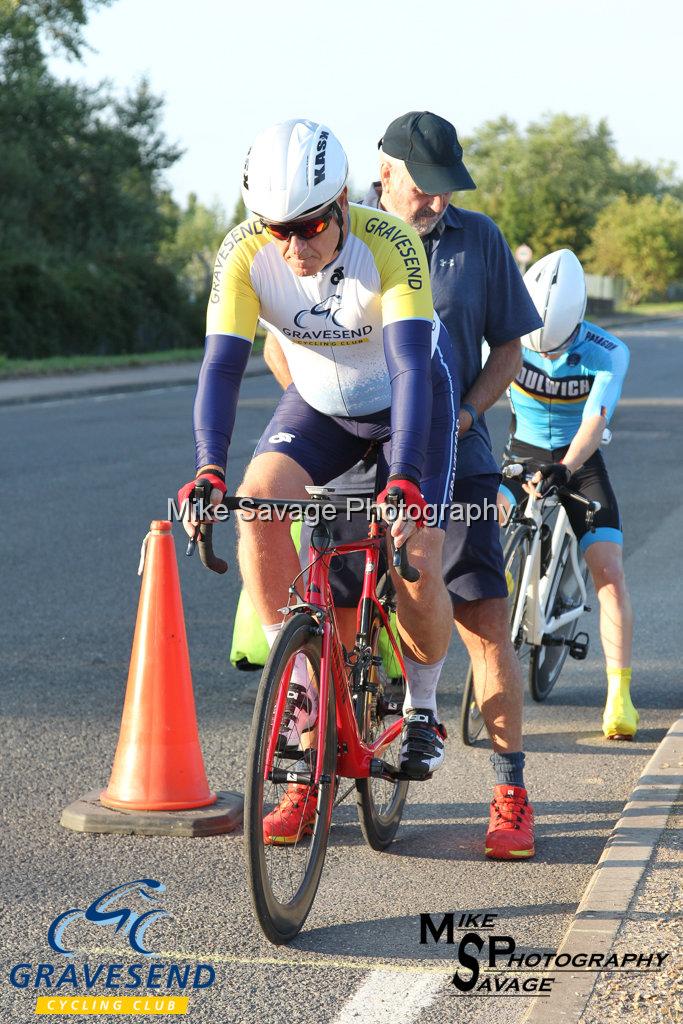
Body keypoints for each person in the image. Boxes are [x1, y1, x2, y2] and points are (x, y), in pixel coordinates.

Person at [264, 111, 543, 860]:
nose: (437, 202)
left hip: (453, 452)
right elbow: (278, 342)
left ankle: (509, 789)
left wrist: (467, 414)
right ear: (382, 175)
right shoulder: (330, 234)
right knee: (338, 615)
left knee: (480, 617)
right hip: (355, 447)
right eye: (424, 188)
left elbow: (510, 348)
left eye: (447, 189)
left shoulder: (476, 239)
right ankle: (306, 777)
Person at [178, 118, 461, 844]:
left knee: (418, 557)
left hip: (404, 400)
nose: (295, 247)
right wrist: (208, 466)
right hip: (318, 405)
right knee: (256, 505)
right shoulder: (245, 253)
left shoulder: (388, 244)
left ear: (340, 204)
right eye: (279, 230)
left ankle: (423, 707)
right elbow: (220, 368)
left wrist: (403, 480)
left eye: (310, 226)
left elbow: (407, 367)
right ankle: (299, 688)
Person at [499, 248, 636, 740]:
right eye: (541, 351)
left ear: (578, 322)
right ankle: (506, 592)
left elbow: (596, 420)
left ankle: (619, 695)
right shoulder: (511, 329)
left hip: (578, 459)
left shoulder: (609, 351)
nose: (549, 358)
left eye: (557, 350)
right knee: (479, 529)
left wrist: (565, 467)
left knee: (609, 571)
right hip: (522, 451)